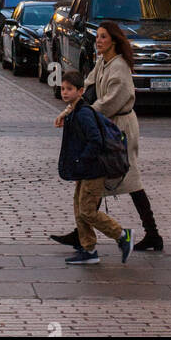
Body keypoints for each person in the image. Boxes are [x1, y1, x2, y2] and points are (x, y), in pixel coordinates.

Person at [51, 19, 164, 252]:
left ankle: (152, 233)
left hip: (121, 128)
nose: (98, 41)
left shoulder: (120, 67)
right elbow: (85, 90)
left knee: (129, 179)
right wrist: (67, 112)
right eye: (98, 37)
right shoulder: (102, 62)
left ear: (114, 40)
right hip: (106, 125)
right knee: (96, 175)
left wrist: (83, 114)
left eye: (103, 37)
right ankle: (82, 232)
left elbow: (110, 101)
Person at [56, 69, 132, 266]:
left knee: (88, 211)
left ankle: (122, 235)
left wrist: (82, 160)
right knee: (79, 208)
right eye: (63, 88)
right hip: (84, 170)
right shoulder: (75, 111)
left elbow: (95, 141)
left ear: (80, 91)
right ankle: (88, 249)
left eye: (69, 89)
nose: (65, 92)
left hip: (93, 170)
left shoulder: (83, 114)